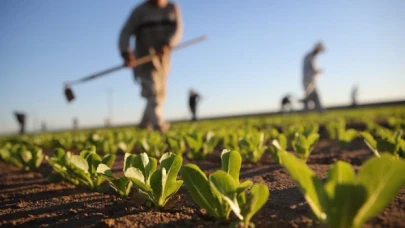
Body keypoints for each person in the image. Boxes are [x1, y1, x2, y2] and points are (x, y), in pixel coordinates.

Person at [118, 0, 183, 132]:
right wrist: (125, 52)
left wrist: (168, 44)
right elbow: (125, 32)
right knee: (153, 93)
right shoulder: (140, 11)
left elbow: (178, 29)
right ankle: (159, 126)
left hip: (163, 61)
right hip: (144, 59)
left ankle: (143, 125)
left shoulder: (172, 8)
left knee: (160, 95)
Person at [302, 42, 325, 113]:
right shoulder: (309, 57)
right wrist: (318, 71)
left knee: (314, 96)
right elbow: (311, 69)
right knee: (308, 96)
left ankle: (320, 111)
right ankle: (306, 112)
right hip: (308, 80)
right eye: (319, 50)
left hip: (311, 80)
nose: (319, 52)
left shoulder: (312, 57)